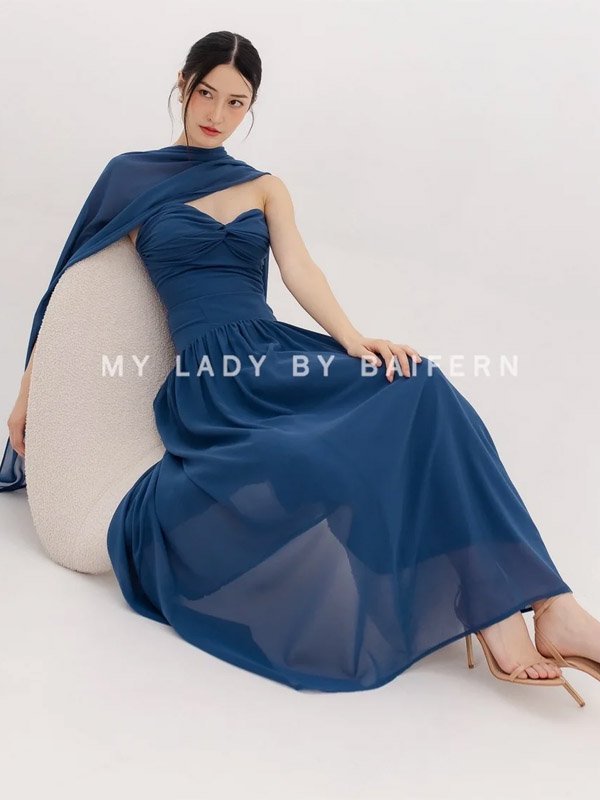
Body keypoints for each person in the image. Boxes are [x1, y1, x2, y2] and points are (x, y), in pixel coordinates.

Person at [4, 31, 599, 699]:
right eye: (206, 94)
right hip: (213, 379)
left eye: (236, 102)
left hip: (276, 353)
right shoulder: (129, 177)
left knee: (421, 385)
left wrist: (354, 339)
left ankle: (549, 605)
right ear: (183, 84)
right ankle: (501, 611)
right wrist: (30, 394)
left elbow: (299, 269)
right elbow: (63, 290)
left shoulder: (263, 186)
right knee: (315, 456)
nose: (217, 114)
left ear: (251, 107)